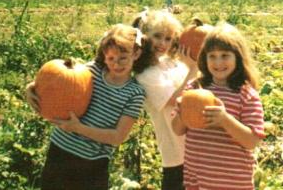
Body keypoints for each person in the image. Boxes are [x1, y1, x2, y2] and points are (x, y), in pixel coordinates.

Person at [25, 23, 155, 190]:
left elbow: (117, 137)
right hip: (60, 150)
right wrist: (31, 88)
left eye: (123, 58)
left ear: (136, 53)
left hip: (92, 163)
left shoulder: (134, 93)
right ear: (104, 55)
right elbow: (60, 80)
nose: (116, 64)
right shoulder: (91, 71)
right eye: (110, 58)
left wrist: (78, 128)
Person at [172, 23, 265, 190]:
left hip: (233, 182)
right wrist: (182, 112)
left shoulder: (246, 95)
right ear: (204, 58)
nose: (218, 62)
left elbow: (251, 141)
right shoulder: (195, 88)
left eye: (225, 55)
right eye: (212, 56)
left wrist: (224, 119)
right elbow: (178, 130)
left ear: (237, 57)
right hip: (197, 179)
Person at [133, 10, 198, 190]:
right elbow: (174, 100)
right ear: (145, 37)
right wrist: (193, 69)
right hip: (176, 153)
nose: (163, 43)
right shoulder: (145, 75)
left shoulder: (172, 63)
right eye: (157, 36)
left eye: (168, 39)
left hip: (195, 147)